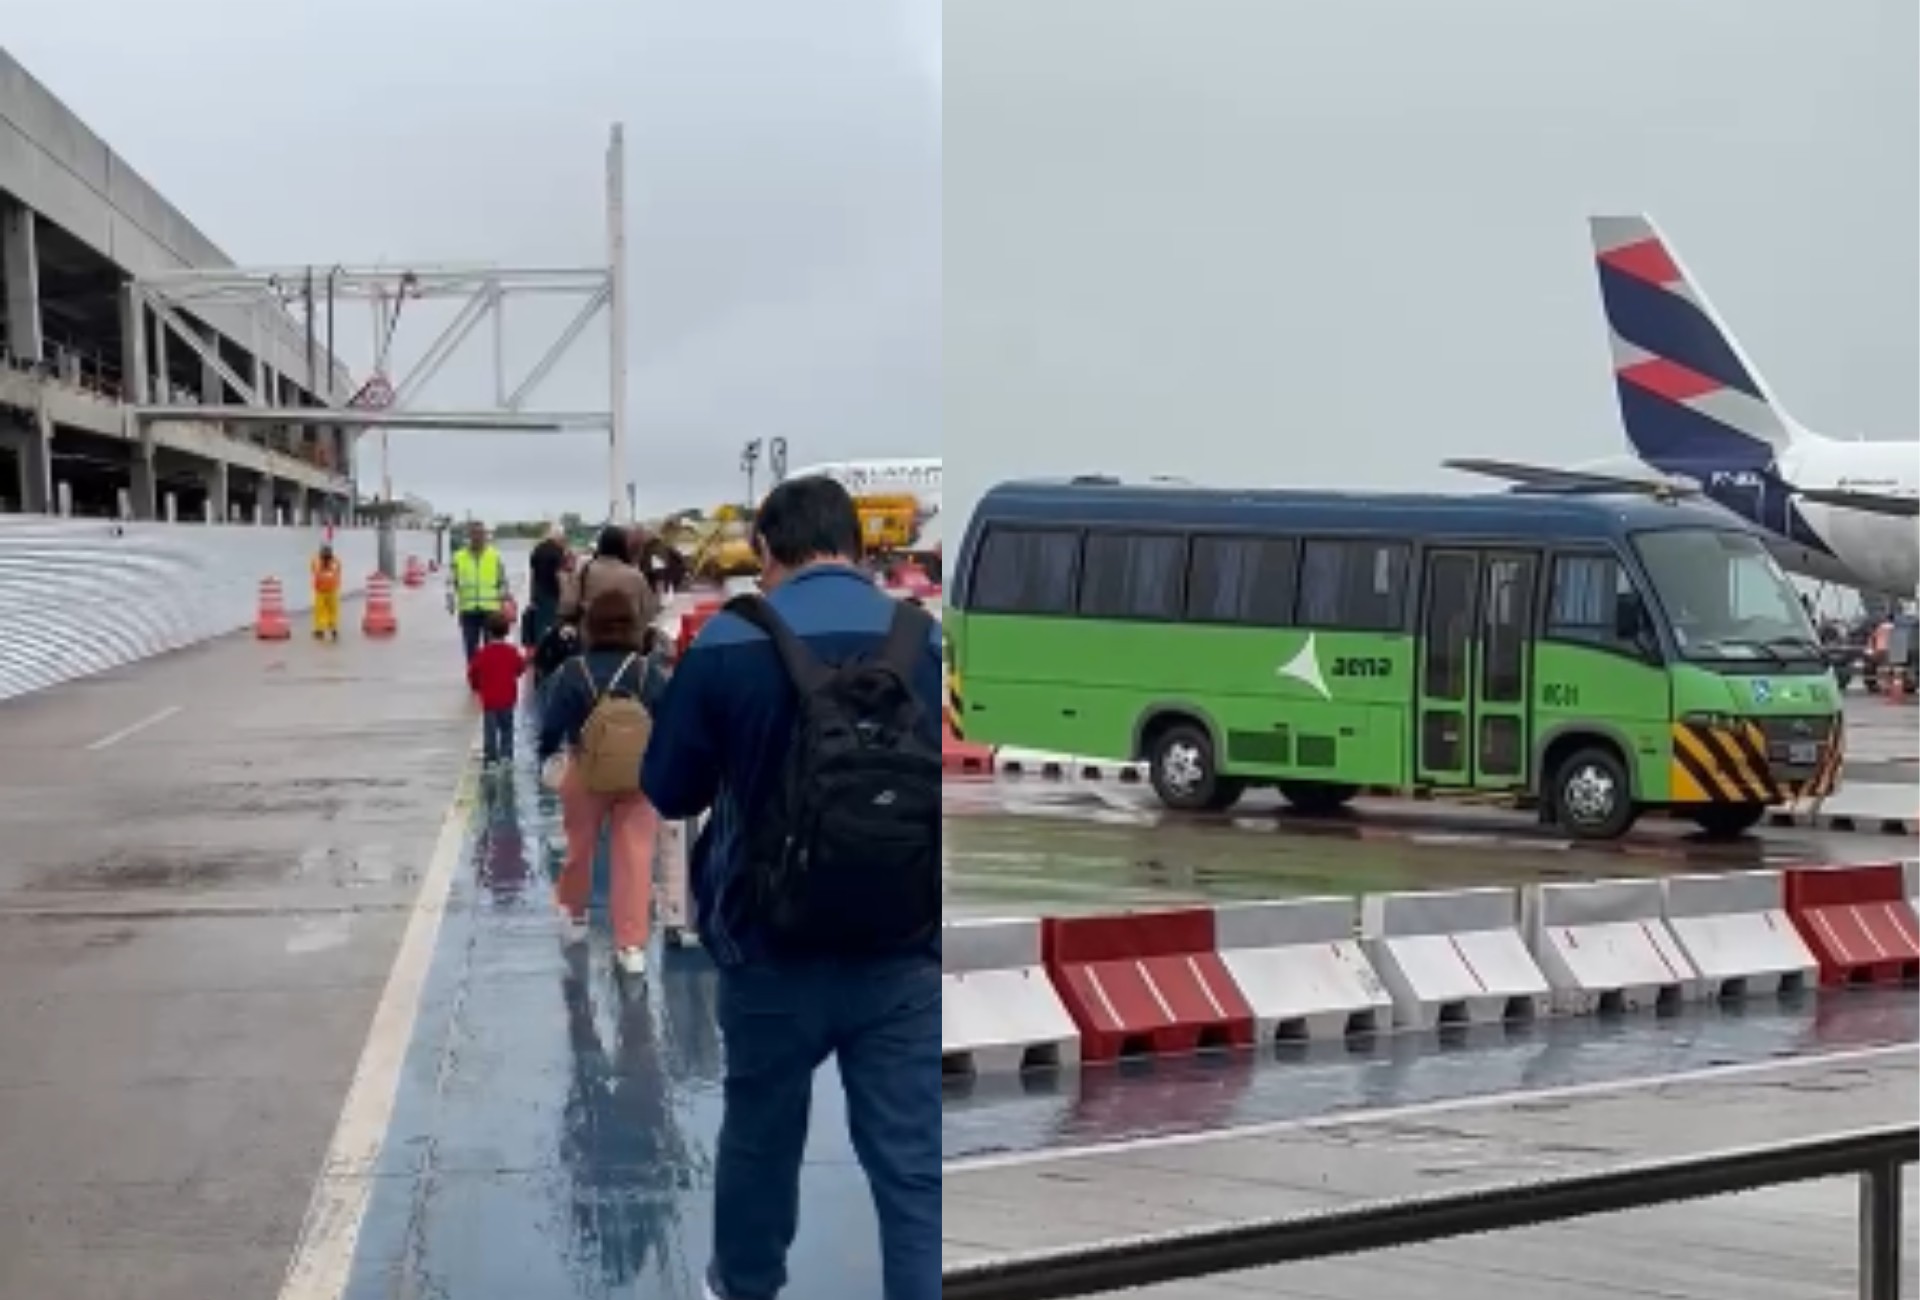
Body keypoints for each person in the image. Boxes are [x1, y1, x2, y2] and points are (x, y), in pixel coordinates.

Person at [641, 476, 941, 1300]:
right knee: (913, 1170)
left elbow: (670, 790)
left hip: (768, 946)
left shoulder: (730, 642)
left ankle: (745, 1287)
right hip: (904, 953)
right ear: (858, 545)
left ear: (767, 553)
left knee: (760, 1142)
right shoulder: (924, 638)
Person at [538, 588, 668, 978]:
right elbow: (669, 720)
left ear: (589, 627)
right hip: (639, 774)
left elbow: (550, 726)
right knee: (635, 856)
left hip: (586, 770)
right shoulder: (648, 671)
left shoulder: (573, 671)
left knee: (579, 849)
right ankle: (631, 946)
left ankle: (575, 917)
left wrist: (549, 756)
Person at [467, 613, 526, 766]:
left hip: (489, 701)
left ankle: (491, 758)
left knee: (490, 731)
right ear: (507, 632)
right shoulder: (511, 651)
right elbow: (520, 668)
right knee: (507, 730)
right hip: (508, 699)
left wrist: (476, 686)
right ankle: (506, 756)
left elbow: (473, 673)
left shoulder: (482, 653)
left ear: (487, 632)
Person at [449, 521, 510, 662]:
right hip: (468, 609)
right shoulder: (459, 557)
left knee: (491, 647)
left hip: (491, 610)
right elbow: (451, 581)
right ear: (469, 536)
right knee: (471, 647)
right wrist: (451, 601)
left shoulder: (494, 556)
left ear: (485, 536)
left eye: (480, 534)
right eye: (474, 534)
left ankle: (489, 677)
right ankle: (474, 677)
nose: (477, 537)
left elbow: (502, 580)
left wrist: (504, 600)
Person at [526, 523, 569, 650]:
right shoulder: (558, 552)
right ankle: (552, 658)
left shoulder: (537, 550)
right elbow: (561, 576)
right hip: (553, 595)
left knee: (540, 629)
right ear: (559, 537)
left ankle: (540, 657)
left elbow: (533, 575)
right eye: (563, 538)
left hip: (539, 594)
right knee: (554, 628)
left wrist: (532, 596)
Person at [309, 542, 343, 641]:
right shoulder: (336, 562)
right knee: (333, 610)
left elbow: (313, 569)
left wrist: (318, 556)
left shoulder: (317, 561)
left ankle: (320, 630)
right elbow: (338, 571)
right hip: (332, 590)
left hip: (321, 591)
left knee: (320, 611)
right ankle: (333, 629)